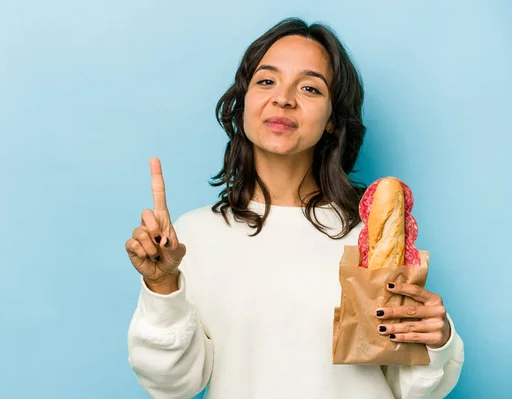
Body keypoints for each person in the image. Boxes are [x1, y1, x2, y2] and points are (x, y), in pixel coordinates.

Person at [125, 18, 464, 399]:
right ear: (242, 104)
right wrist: (162, 285)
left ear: (333, 119)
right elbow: (174, 385)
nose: (283, 98)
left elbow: (413, 387)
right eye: (266, 81)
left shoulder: (370, 236)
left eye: (309, 87)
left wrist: (437, 338)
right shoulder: (192, 238)